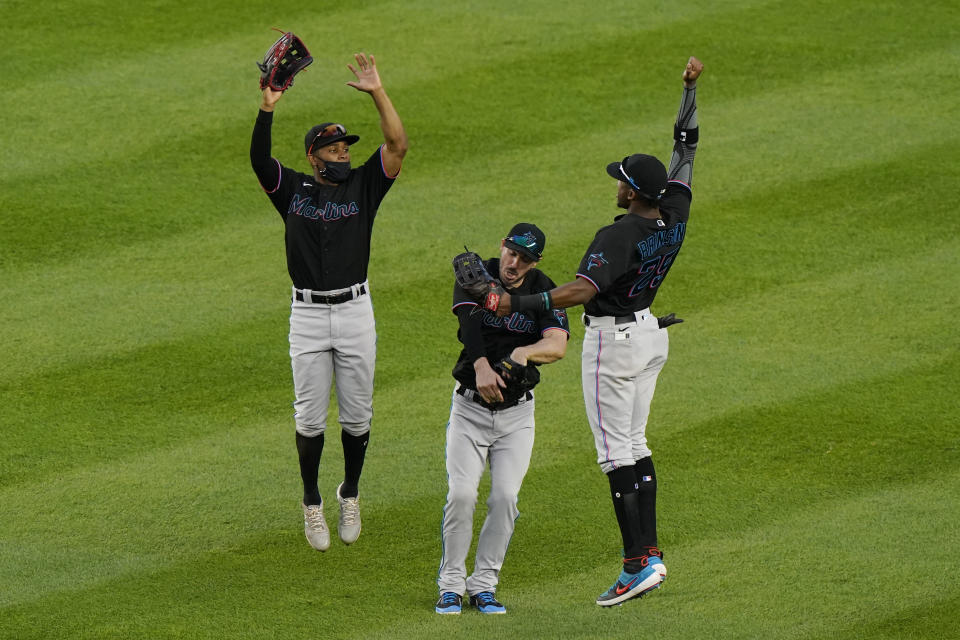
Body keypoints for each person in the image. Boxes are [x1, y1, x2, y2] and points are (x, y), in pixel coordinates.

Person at [491, 56, 704, 605]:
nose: (615, 185)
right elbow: (686, 153)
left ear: (633, 193)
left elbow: (582, 291)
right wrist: (689, 91)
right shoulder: (673, 214)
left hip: (614, 342)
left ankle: (636, 565)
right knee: (635, 443)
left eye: (621, 181)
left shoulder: (619, 236)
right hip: (651, 336)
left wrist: (514, 299)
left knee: (615, 453)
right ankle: (650, 555)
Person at [249, 53, 408, 552]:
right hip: (308, 315)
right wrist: (267, 107)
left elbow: (398, 144)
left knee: (357, 416)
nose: (342, 156)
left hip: (356, 311)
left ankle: (351, 491)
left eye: (345, 149)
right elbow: (259, 160)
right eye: (333, 150)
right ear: (314, 157)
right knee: (310, 417)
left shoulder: (366, 184)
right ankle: (312, 501)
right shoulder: (291, 189)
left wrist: (378, 91)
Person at [435, 224, 570, 615]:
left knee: (505, 498)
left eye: (524, 258)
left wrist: (524, 354)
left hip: (517, 416)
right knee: (461, 495)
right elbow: (469, 324)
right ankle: (450, 585)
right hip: (469, 410)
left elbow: (557, 344)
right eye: (511, 252)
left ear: (535, 262)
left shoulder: (544, 289)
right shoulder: (478, 274)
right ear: (502, 246)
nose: (514, 263)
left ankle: (484, 586)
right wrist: (480, 365)